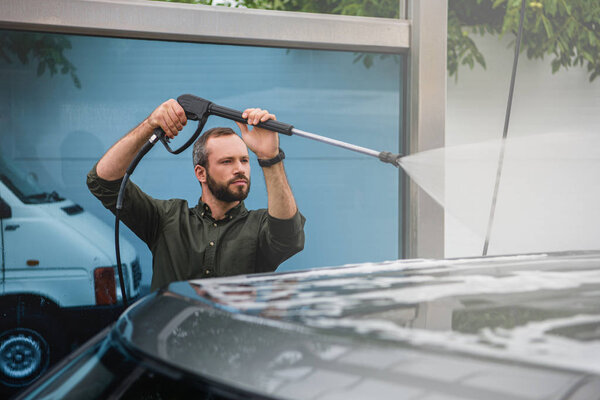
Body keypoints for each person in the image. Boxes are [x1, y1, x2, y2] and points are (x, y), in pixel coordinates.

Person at [87, 99, 305, 291]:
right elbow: (103, 181)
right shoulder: (167, 219)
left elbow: (289, 235)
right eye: (227, 161)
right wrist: (150, 124)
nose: (240, 169)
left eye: (244, 160)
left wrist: (269, 157)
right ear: (201, 173)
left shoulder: (259, 227)